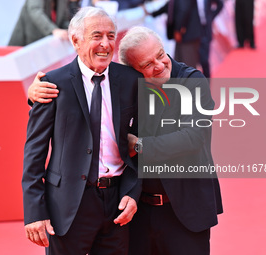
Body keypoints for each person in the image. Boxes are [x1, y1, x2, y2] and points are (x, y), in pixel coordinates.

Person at [29, 26, 223, 255]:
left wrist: (138, 145)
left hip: (185, 212)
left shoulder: (192, 80)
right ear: (133, 72)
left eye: (160, 55)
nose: (159, 65)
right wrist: (35, 96)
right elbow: (85, 99)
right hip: (137, 214)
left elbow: (193, 138)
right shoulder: (128, 86)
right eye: (146, 65)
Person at [22, 7, 142, 255]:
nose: (105, 44)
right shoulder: (52, 85)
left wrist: (133, 191)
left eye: (111, 36)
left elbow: (143, 143)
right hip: (68, 205)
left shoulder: (131, 80)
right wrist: (34, 211)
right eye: (96, 35)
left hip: (117, 201)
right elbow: (34, 153)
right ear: (76, 40)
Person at [149, 0, 202, 69]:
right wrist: (151, 13)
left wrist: (178, 30)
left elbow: (184, 10)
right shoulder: (172, 2)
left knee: (189, 64)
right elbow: (169, 7)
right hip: (182, 37)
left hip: (187, 36)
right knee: (180, 63)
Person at [8, 0, 80, 46]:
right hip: (25, 44)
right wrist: (53, 30)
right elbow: (35, 11)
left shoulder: (62, 2)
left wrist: (73, 30)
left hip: (45, 47)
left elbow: (63, 20)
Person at [197, 0, 224, 78]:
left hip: (206, 30)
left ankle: (207, 82)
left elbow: (220, 4)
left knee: (204, 60)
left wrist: (211, 16)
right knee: (194, 60)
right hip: (194, 31)